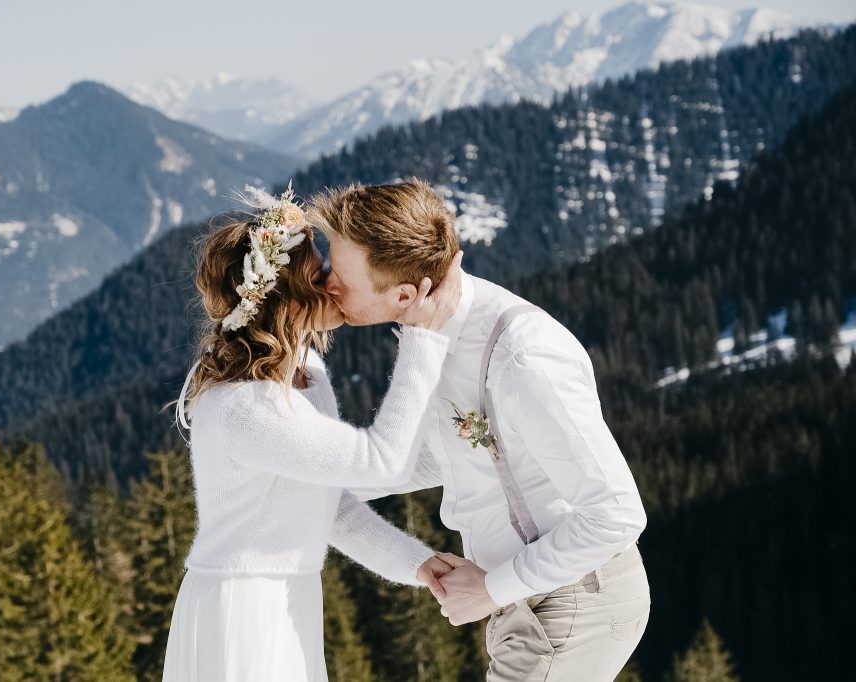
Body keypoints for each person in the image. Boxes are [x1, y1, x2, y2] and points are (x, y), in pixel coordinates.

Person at [307, 179, 651, 682]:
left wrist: (493, 588)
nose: (326, 282)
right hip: (527, 598)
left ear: (404, 293)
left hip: (574, 602)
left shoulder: (522, 357)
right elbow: (439, 454)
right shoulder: (436, 333)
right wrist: (312, 482)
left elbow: (616, 516)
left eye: (340, 274)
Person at [161, 183, 462, 682]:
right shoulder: (245, 406)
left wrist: (416, 563)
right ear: (286, 299)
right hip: (243, 606)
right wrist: (422, 337)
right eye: (319, 274)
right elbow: (383, 460)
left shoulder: (305, 369)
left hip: (288, 597)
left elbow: (332, 507)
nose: (334, 281)